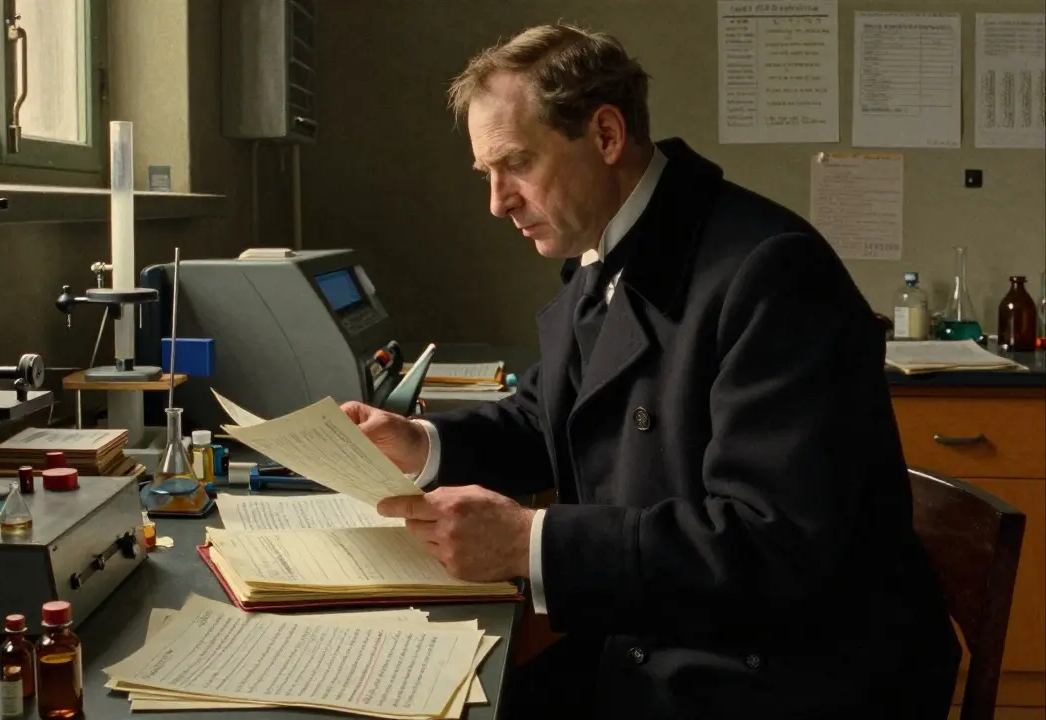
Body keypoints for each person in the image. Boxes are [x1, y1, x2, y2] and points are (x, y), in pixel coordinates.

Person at [341, 22, 960, 720]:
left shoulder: (773, 272)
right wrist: (422, 445)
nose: (497, 200)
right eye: (486, 173)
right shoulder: (607, 251)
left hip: (783, 678)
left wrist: (527, 541)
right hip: (669, 640)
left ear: (606, 135)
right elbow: (549, 415)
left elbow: (772, 543)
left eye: (515, 163)